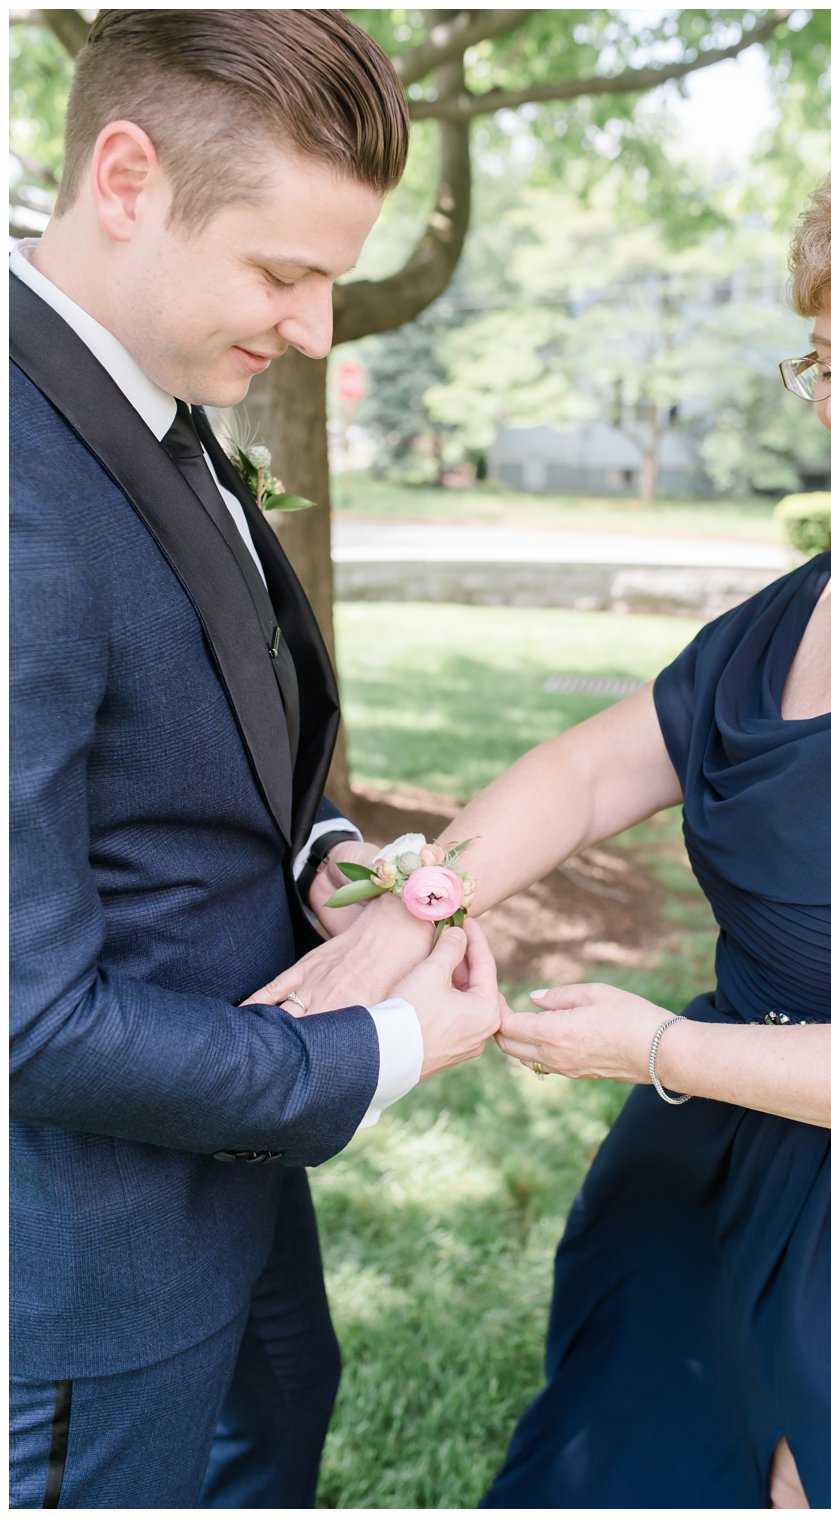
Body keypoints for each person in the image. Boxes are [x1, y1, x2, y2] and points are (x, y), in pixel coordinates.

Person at [263, 108, 831, 1507]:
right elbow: (593, 768)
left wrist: (656, 1042)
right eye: (828, 362)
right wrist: (419, 909)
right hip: (701, 1188)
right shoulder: (809, 603)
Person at [8, 12, 503, 1508]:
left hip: (231, 1186)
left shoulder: (149, 396)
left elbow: (209, 741)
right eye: (283, 273)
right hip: (83, 1266)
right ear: (126, 178)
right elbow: (27, 1020)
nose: (311, 330)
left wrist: (328, 863)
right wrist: (395, 1048)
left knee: (282, 1430)